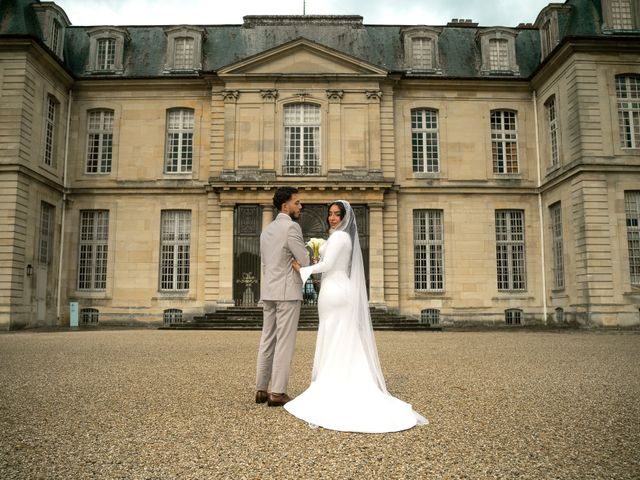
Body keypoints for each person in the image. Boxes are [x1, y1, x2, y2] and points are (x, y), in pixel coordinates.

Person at [287, 200, 427, 432]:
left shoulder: (340, 238)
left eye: (336, 214)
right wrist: (316, 263)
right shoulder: (340, 237)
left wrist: (303, 269)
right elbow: (331, 262)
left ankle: (332, 384)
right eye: (330, 214)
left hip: (335, 292)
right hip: (339, 290)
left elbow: (329, 264)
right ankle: (341, 379)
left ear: (345, 217)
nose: (332, 218)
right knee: (342, 338)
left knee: (334, 337)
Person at [255, 187, 310, 407]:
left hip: (269, 291)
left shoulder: (266, 231)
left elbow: (266, 262)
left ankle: (261, 389)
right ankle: (277, 392)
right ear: (285, 206)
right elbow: (304, 260)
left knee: (267, 339)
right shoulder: (292, 227)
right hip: (287, 292)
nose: (300, 206)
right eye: (297, 203)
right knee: (284, 342)